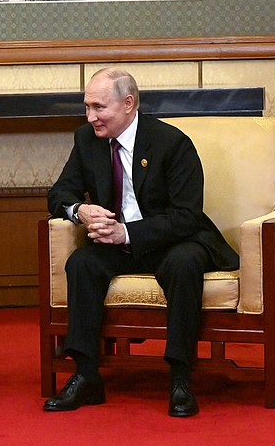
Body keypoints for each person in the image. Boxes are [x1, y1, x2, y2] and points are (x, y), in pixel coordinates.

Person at [44, 67, 239, 417]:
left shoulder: (171, 143)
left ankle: (180, 378)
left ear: (128, 103)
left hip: (172, 241)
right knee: (82, 263)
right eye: (87, 107)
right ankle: (86, 375)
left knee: (184, 263)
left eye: (99, 107)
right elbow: (59, 193)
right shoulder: (87, 140)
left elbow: (186, 216)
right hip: (118, 245)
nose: (90, 117)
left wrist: (127, 232)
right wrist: (80, 210)